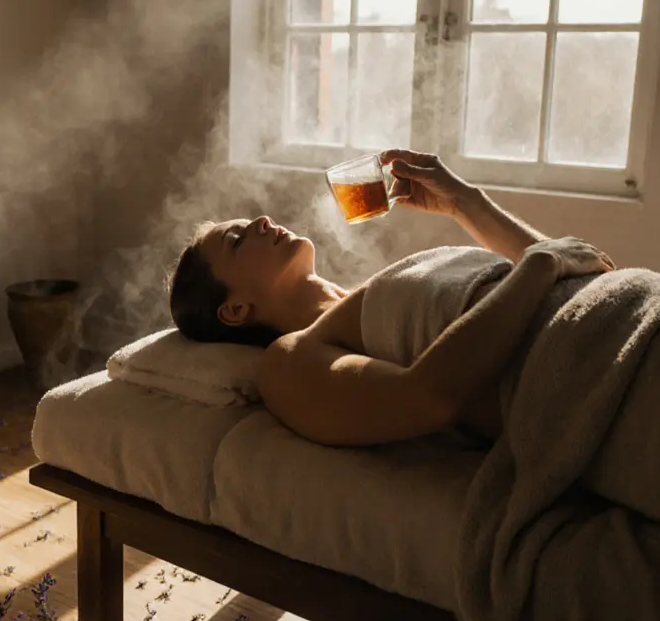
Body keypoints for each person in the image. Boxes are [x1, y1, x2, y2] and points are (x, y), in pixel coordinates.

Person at [167, 149, 616, 447]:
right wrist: (538, 265)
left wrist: (463, 202)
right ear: (235, 309)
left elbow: (577, 267)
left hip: (619, 313)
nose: (262, 220)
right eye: (238, 240)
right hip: (604, 377)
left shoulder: (367, 298)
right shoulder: (292, 359)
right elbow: (428, 399)